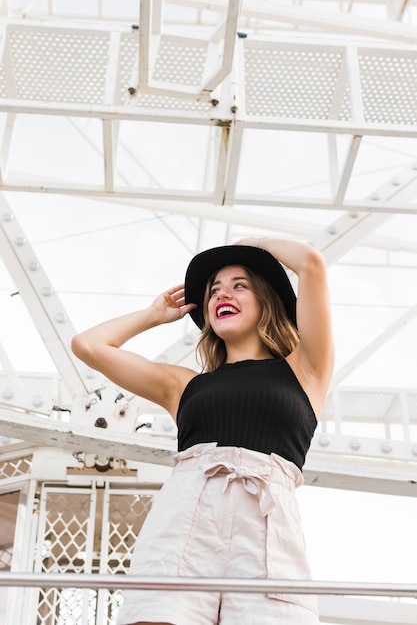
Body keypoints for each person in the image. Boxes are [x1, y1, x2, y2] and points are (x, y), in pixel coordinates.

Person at [71, 237, 334, 625]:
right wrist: (152, 315)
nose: (221, 294)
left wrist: (245, 245)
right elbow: (88, 345)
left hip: (266, 530)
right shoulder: (183, 385)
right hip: (185, 518)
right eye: (214, 290)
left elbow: (311, 262)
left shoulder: (305, 369)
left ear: (266, 300)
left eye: (239, 285)